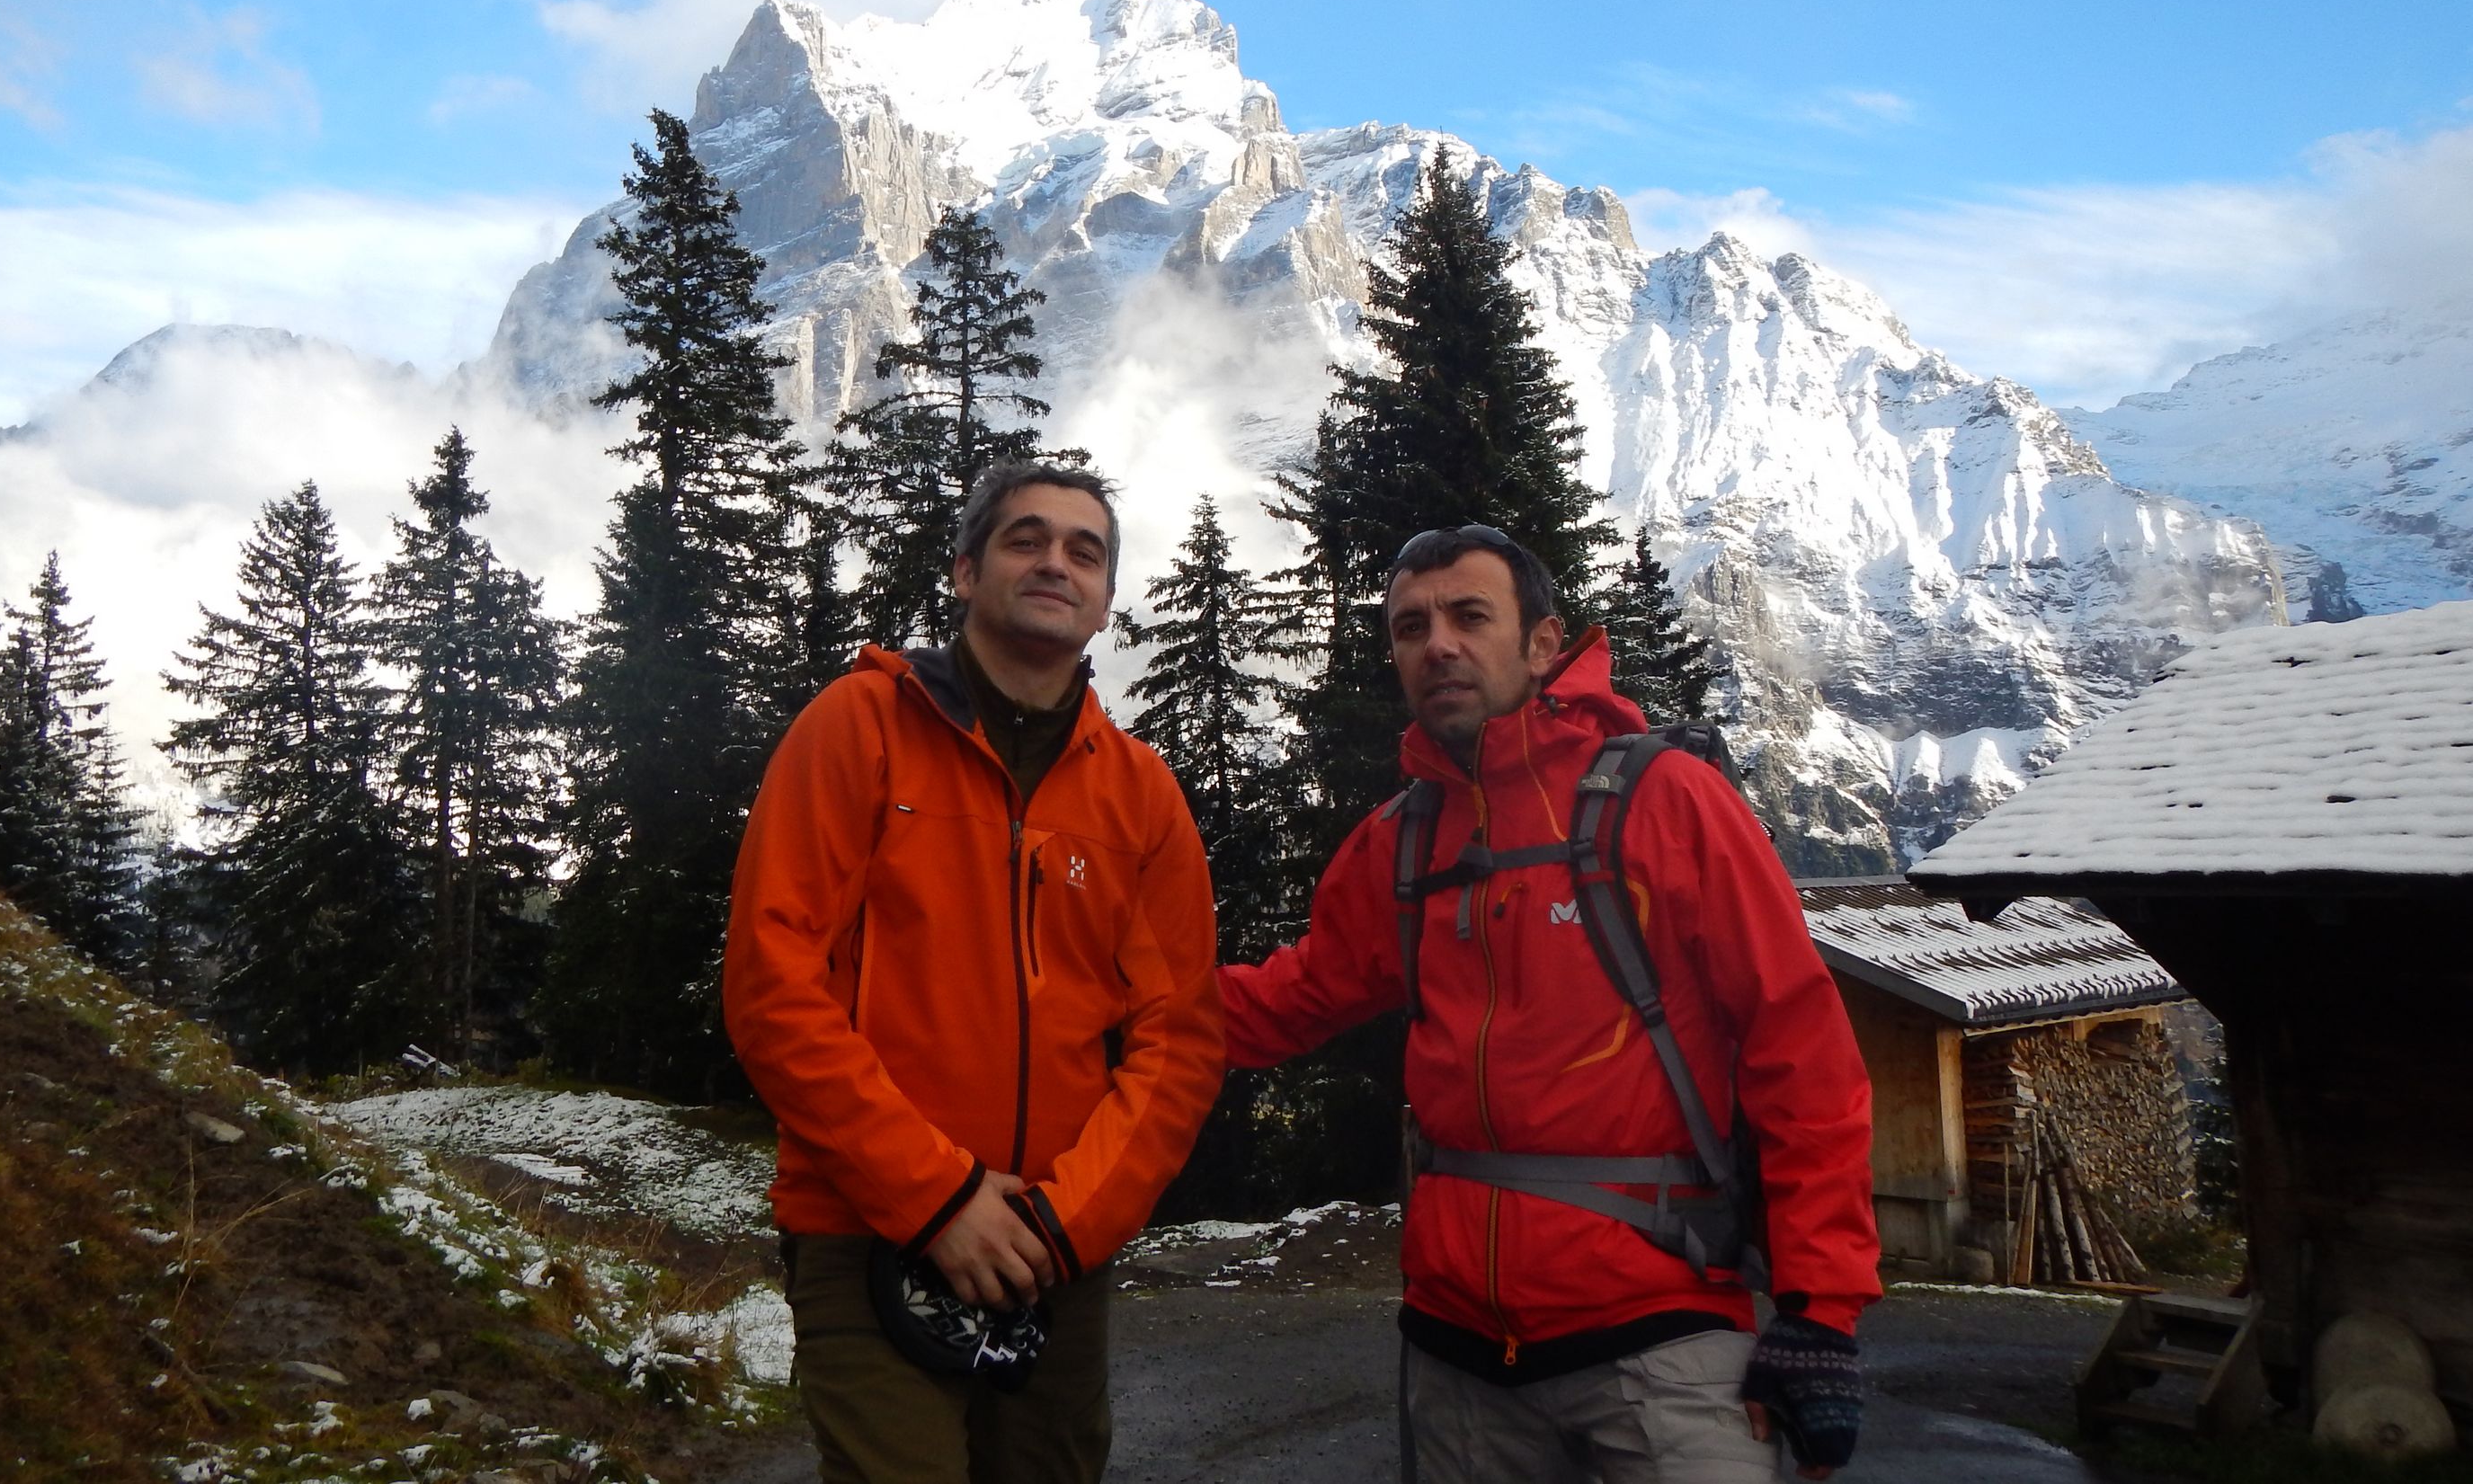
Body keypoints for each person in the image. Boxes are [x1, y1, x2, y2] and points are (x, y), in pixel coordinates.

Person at [1219, 526, 1880, 1483]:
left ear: (1541, 645)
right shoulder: (1400, 843)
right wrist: (1101, 1007)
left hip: (1663, 1339)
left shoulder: (1667, 802)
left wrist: (1821, 1310)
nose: (1438, 645)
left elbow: (1800, 1047)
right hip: (1457, 1359)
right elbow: (1291, 999)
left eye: (1469, 616)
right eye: (1411, 627)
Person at [724, 460, 1225, 1484]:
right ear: (964, 571)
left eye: (1084, 551)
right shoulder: (857, 727)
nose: (1055, 563)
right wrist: (939, 1199)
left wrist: (1064, 1226)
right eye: (1024, 539)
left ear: (1105, 600)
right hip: (867, 1232)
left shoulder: (1141, 795)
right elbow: (773, 985)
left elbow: (1179, 1041)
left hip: (1053, 1255)